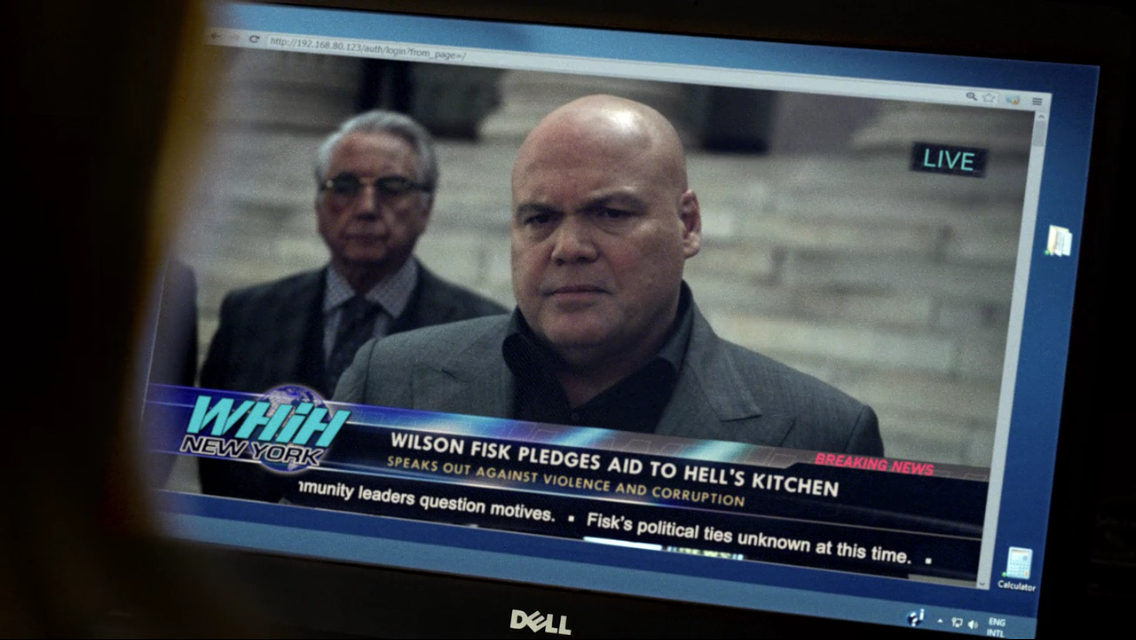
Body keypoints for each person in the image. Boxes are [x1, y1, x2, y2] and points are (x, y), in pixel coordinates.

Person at [335, 95, 883, 455]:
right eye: (540, 219)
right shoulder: (388, 382)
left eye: (611, 213)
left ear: (688, 225)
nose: (568, 248)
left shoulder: (823, 435)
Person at [198, 110, 507, 498]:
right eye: (344, 186)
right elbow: (216, 462)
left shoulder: (482, 333)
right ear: (318, 205)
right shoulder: (250, 314)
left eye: (392, 187)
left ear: (425, 209)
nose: (366, 207)